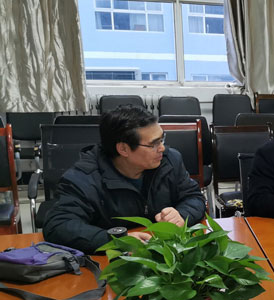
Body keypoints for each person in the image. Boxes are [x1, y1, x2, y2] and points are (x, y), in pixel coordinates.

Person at [43, 105, 205, 253]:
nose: (162, 148)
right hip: (111, 261)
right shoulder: (84, 178)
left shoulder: (170, 160)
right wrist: (117, 240)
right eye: (154, 144)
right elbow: (58, 226)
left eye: (162, 139)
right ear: (123, 149)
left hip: (165, 252)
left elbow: (193, 197)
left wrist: (181, 215)